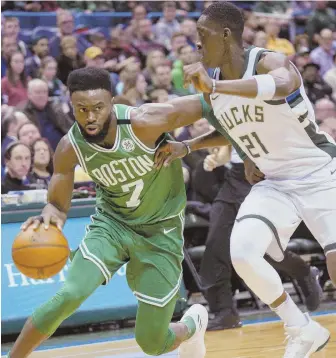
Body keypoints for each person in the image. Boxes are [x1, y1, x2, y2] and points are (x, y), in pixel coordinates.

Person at [154, 2, 335, 357]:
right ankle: (301, 328)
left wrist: (218, 88)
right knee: (244, 252)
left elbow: (284, 85)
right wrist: (187, 145)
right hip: (276, 182)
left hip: (321, 172)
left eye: (202, 37)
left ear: (225, 35)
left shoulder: (268, 61)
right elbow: (228, 127)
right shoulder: (217, 86)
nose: (197, 46)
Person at [8, 67, 217, 358]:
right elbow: (57, 205)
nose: (90, 117)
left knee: (152, 343)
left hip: (161, 230)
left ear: (111, 101)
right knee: (68, 295)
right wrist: (49, 218)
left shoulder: (145, 121)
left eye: (98, 108)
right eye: (82, 109)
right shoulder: (69, 147)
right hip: (112, 225)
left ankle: (193, 324)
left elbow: (216, 106)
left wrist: (189, 145)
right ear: (71, 105)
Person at [200, 146, 323, 331]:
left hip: (267, 176)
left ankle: (302, 271)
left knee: (261, 251)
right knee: (215, 246)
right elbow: (229, 144)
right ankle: (224, 312)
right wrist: (218, 159)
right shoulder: (227, 117)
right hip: (235, 178)